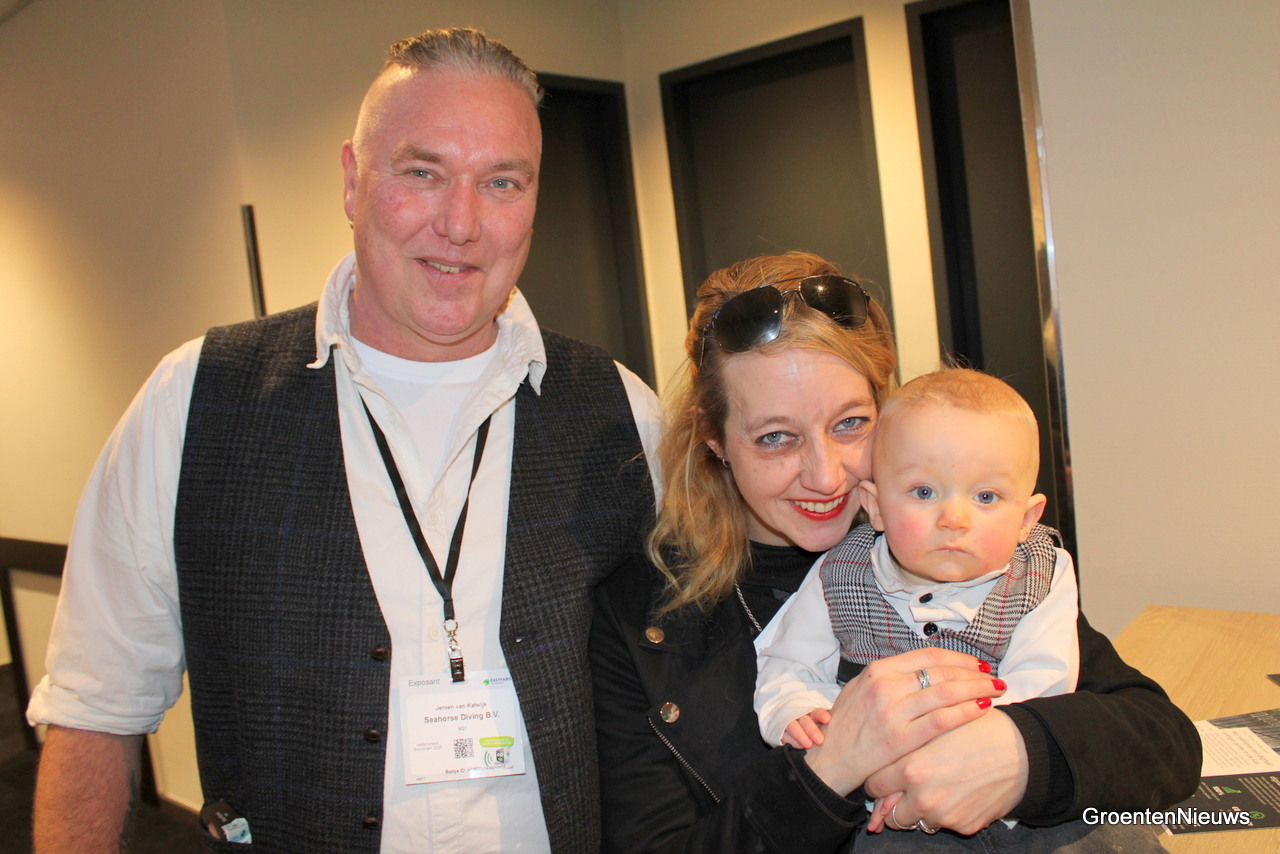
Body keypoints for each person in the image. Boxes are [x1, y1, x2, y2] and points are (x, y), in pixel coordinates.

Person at [29, 27, 659, 854]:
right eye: (422, 173)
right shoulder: (195, 401)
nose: (461, 223)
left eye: (501, 182)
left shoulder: (624, 412)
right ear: (353, 182)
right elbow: (94, 710)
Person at [591, 251, 1200, 852]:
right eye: (776, 437)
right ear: (714, 438)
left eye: (850, 424)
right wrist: (832, 768)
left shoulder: (961, 547)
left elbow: (1162, 742)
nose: (826, 477)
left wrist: (1020, 754)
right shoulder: (641, 617)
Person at [756, 368, 1167, 849]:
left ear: (1027, 518)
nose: (954, 518)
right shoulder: (839, 573)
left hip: (1019, 802)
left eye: (986, 496)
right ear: (877, 505)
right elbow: (787, 662)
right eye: (924, 492)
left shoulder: (1041, 574)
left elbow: (1044, 682)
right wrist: (795, 711)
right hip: (894, 812)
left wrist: (966, 752)